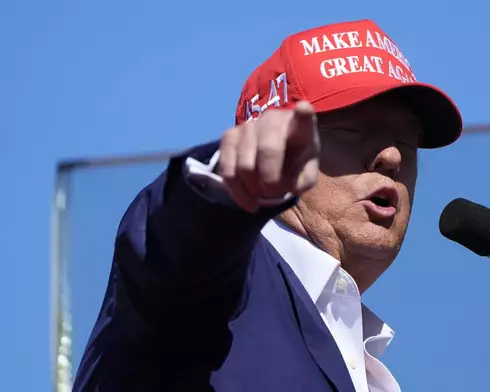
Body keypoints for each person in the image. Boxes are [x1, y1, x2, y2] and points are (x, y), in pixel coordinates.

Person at [73, 19, 462, 392]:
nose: (393, 156)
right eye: (354, 130)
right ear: (277, 140)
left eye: (408, 142)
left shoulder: (365, 362)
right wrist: (224, 189)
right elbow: (174, 244)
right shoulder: (220, 281)